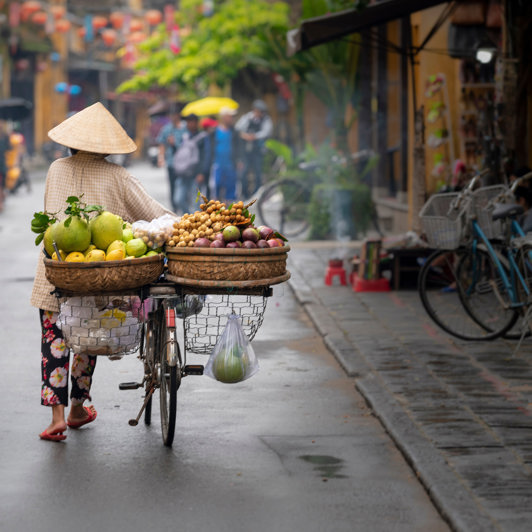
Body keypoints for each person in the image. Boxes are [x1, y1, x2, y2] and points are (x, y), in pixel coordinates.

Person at [30, 102, 174, 442]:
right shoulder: (117, 176)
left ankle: (57, 418)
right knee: (85, 336)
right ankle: (79, 408)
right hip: (97, 274)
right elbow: (153, 214)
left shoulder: (55, 169)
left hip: (56, 271)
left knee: (55, 340)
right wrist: (181, 223)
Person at [172, 113, 211, 214]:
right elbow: (179, 154)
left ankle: (194, 223)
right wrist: (173, 145)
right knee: (179, 199)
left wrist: (202, 172)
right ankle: (187, 217)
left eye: (192, 121)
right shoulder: (184, 137)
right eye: (188, 122)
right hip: (183, 173)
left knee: (196, 202)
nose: (190, 124)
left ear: (196, 123)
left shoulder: (203, 137)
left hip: (196, 174)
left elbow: (206, 156)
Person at [235, 99, 273, 198]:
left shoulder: (266, 120)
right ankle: (245, 194)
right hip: (246, 151)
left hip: (258, 151)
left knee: (258, 173)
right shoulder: (247, 118)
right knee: (243, 173)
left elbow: (266, 132)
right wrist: (245, 136)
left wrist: (254, 136)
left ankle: (257, 194)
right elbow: (238, 129)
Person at [157, 108, 184, 211]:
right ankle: (174, 206)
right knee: (172, 185)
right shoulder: (166, 129)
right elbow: (162, 144)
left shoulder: (184, 128)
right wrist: (161, 157)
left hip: (184, 163)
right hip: (172, 162)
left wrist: (176, 143)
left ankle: (182, 203)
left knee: (182, 184)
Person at [211, 106, 240, 202]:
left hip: (231, 165)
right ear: (223, 117)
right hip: (217, 165)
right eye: (229, 116)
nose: (231, 119)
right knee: (216, 188)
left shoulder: (234, 132)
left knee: (231, 189)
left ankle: (229, 213)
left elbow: (239, 147)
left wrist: (240, 160)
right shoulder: (214, 132)